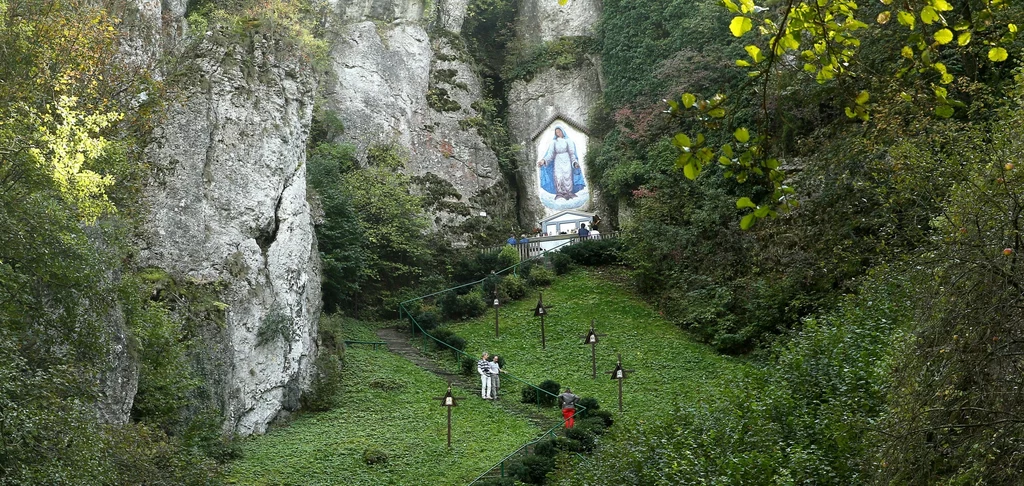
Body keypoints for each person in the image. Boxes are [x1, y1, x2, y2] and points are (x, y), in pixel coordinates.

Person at [538, 126, 585, 201]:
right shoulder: (554, 142)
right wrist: (543, 160)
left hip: (567, 160)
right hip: (558, 161)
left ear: (562, 131)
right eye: (556, 132)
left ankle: (569, 192)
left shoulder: (568, 141)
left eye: (559, 131)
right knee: (558, 176)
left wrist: (575, 162)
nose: (558, 133)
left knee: (568, 176)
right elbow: (550, 154)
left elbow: (572, 153)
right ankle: (560, 193)